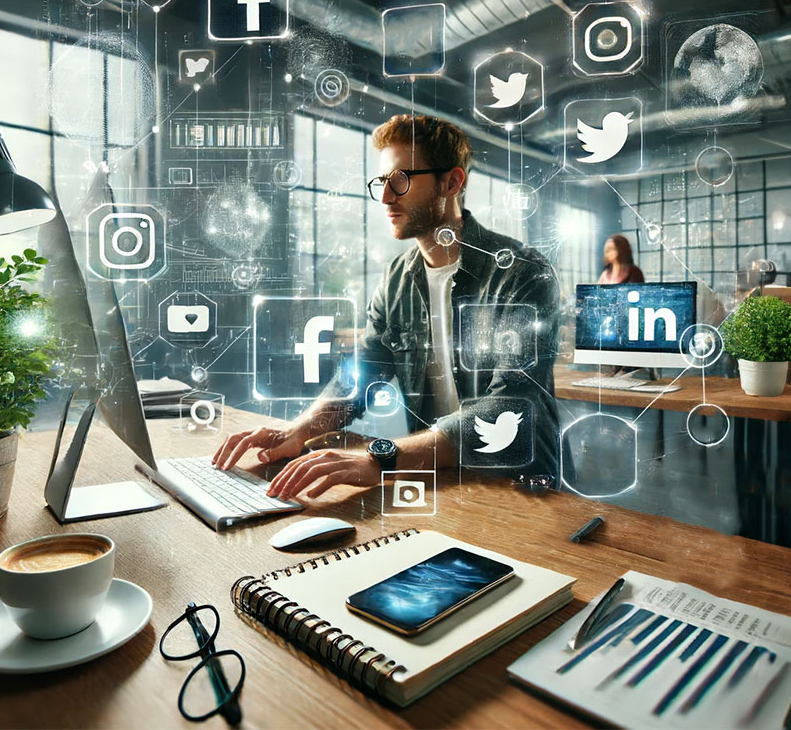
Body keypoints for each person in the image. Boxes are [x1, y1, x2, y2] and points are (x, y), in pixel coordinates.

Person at [211, 114, 561, 499]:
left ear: (452, 182)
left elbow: (507, 410)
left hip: (519, 488)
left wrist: (380, 457)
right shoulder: (397, 278)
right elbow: (360, 375)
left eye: (400, 180)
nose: (385, 197)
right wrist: (300, 430)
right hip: (438, 480)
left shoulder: (522, 273)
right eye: (382, 182)